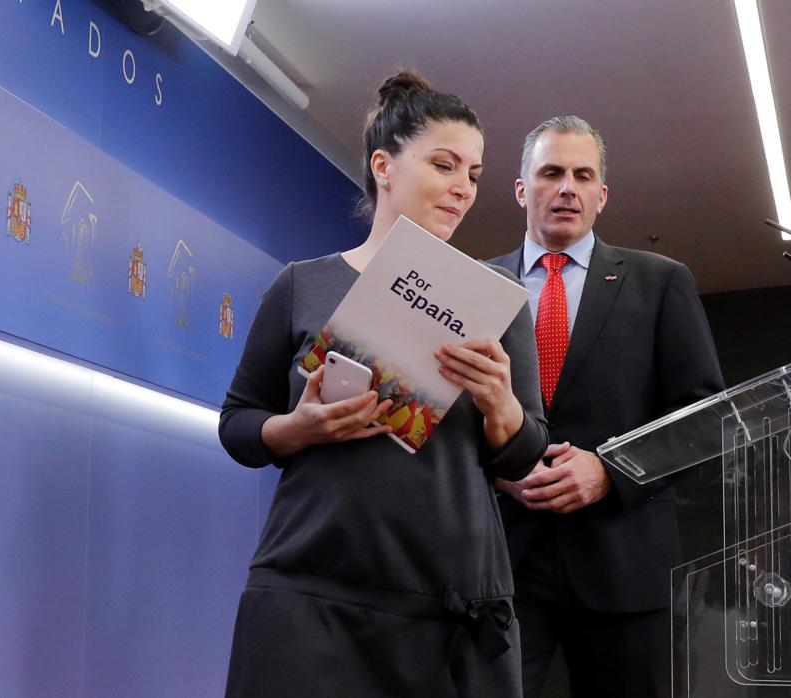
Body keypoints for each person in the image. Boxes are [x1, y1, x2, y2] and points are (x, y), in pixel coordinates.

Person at [218, 70, 549, 697]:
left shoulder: (496, 303)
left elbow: (524, 452)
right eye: (445, 166)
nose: (462, 189)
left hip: (448, 600)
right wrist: (295, 429)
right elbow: (238, 423)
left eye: (474, 176)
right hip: (314, 587)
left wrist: (502, 405)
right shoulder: (302, 285)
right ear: (384, 166)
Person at [488, 116, 725, 698]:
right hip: (499, 562)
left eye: (582, 175)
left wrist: (610, 471)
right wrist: (498, 473)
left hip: (621, 564)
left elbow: (706, 417)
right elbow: (443, 418)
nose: (567, 187)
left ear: (601, 195)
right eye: (550, 173)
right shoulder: (474, 287)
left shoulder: (659, 282)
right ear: (522, 190)